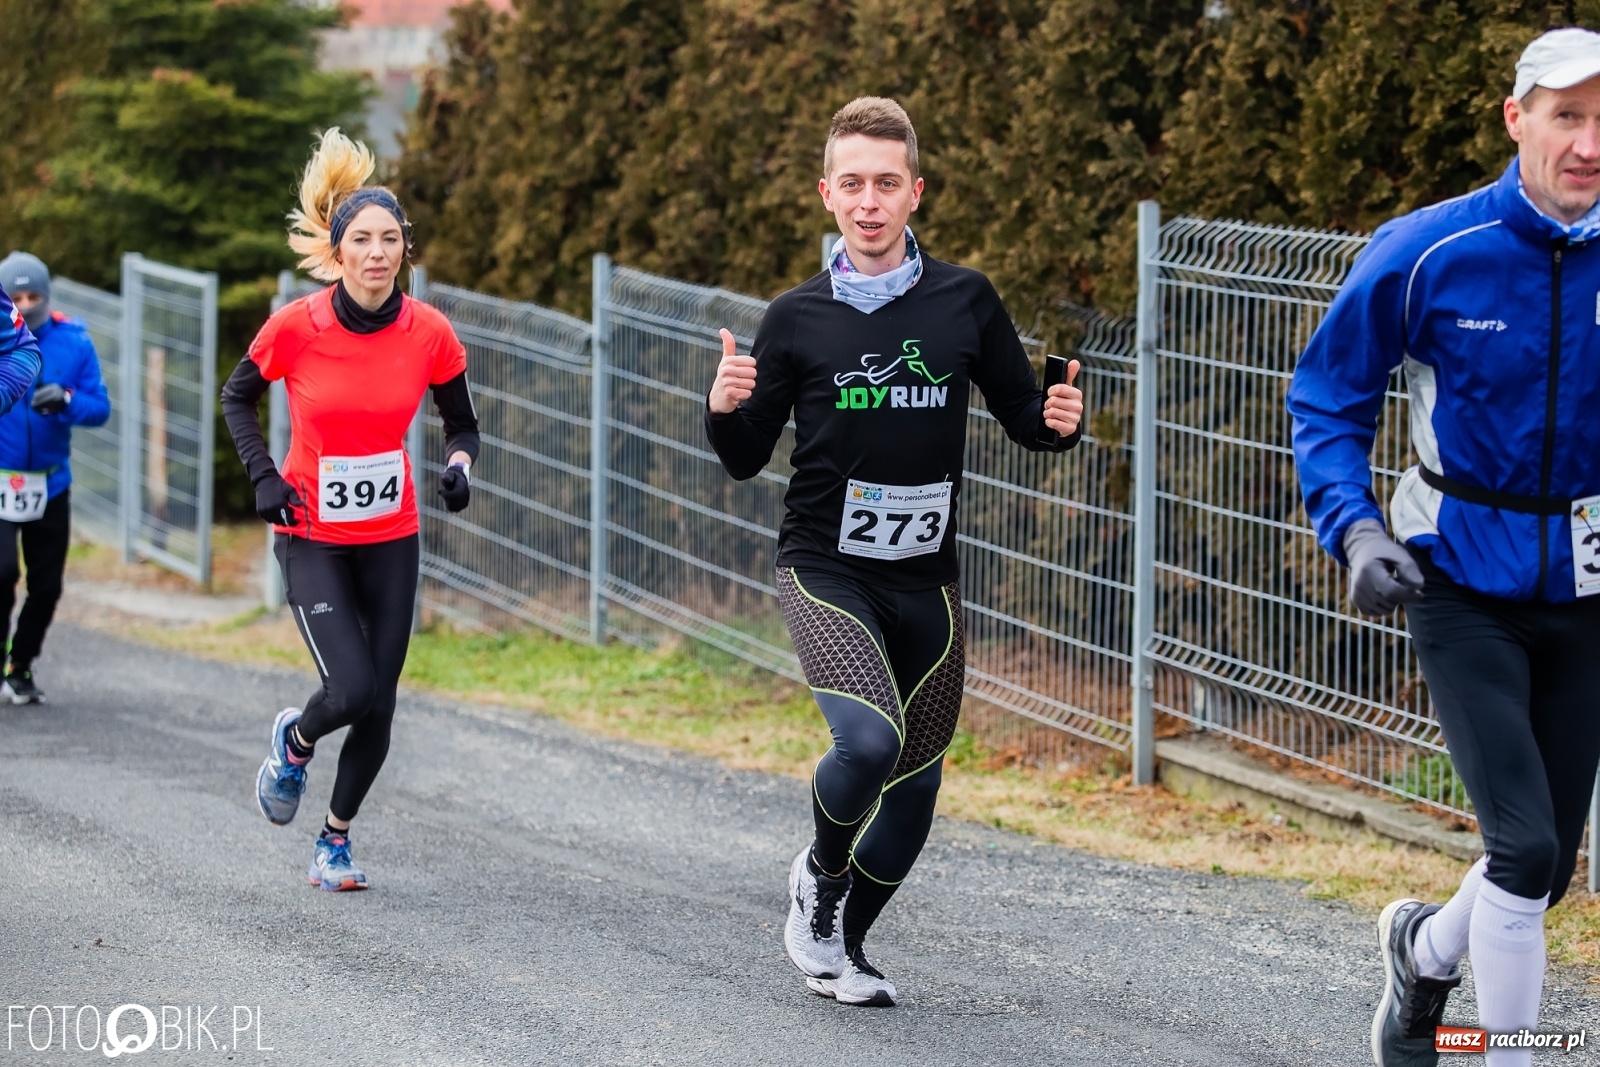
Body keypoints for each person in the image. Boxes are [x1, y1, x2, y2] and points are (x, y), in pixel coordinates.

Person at [705, 97, 1083, 1006]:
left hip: (927, 580)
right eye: (852, 184)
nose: (869, 201)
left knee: (914, 788)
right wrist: (721, 407)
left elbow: (1025, 417)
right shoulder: (795, 318)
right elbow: (746, 456)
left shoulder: (965, 299)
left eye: (886, 183)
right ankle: (818, 877)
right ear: (826, 194)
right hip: (826, 568)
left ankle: (842, 946)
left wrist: (1058, 424)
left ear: (914, 192)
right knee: (867, 741)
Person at [1288, 27, 1600, 1067]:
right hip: (1452, 570)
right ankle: (1503, 1056)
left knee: (1547, 865)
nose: (1588, 140)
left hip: (1588, 581)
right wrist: (1356, 524)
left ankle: (1422, 948)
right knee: (1520, 848)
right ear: (1517, 120)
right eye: (1567, 114)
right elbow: (1325, 397)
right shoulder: (1430, 250)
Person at [222, 128, 479, 891]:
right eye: (361, 239)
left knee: (381, 705)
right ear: (338, 252)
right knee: (350, 688)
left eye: (390, 239)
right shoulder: (299, 326)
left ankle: (333, 840)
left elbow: (461, 424)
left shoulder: (429, 331)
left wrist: (458, 467)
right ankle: (294, 741)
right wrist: (263, 475)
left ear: (405, 250)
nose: (377, 252)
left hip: (391, 534)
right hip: (313, 534)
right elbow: (238, 396)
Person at [0, 251, 111, 704]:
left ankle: (20, 664)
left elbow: (99, 407)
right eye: (16, 296)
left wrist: (66, 400)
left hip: (51, 484)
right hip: (0, 481)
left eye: (34, 295)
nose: (26, 304)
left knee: (46, 586)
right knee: (2, 572)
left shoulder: (74, 341)